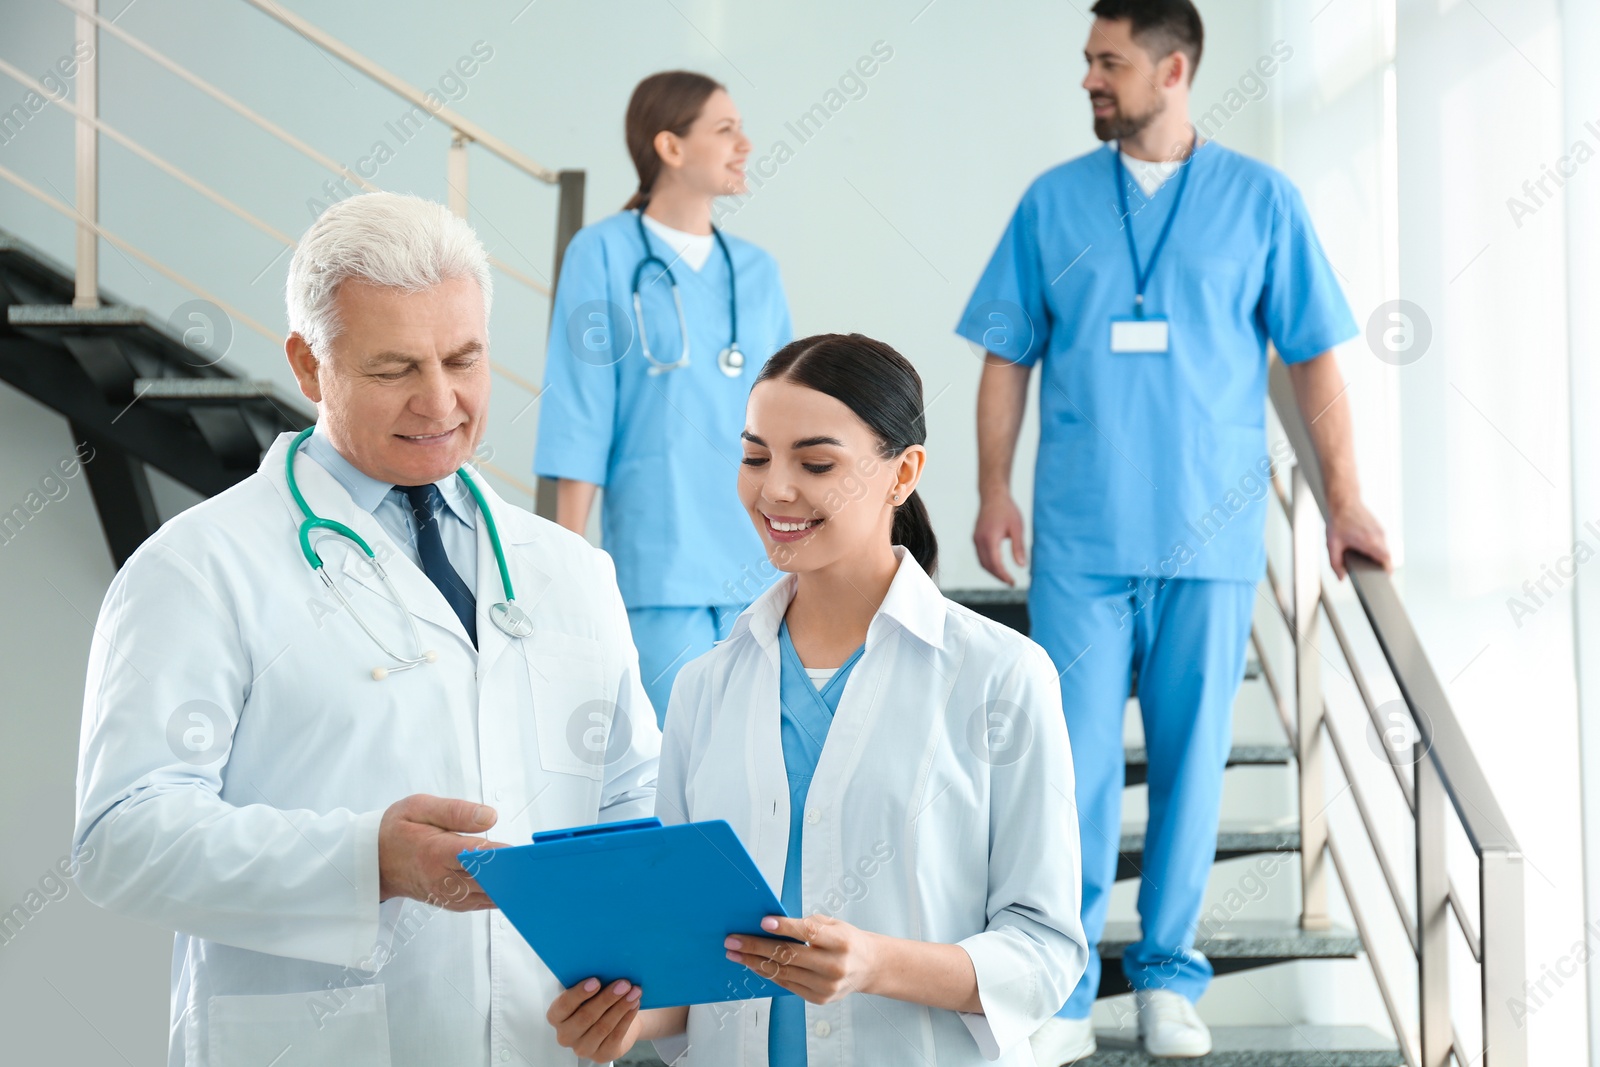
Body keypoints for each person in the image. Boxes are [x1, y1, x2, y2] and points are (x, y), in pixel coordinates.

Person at [72, 192, 661, 1067]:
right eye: (395, 368)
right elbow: (122, 836)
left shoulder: (568, 568)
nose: (440, 400)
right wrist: (366, 860)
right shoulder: (198, 567)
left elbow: (631, 803)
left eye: (464, 359)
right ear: (310, 366)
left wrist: (635, 978)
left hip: (547, 1041)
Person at [957, 2, 1392, 1062]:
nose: (1090, 80)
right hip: (1083, 533)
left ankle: (1165, 977)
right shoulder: (1052, 203)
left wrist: (1344, 496)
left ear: (1173, 68)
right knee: (1072, 770)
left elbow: (1314, 361)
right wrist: (990, 488)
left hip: (1210, 531)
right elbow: (1005, 356)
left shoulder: (1261, 201)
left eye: (1108, 62)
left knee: (1194, 764)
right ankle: (1059, 987)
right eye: (1087, 61)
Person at [543, 333, 1089, 1066]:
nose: (775, 489)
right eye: (756, 455)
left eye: (817, 463)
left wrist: (875, 963)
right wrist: (622, 1020)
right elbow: (686, 957)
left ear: (904, 474)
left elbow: (1046, 949)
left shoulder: (1000, 674)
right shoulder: (706, 686)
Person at [535, 70, 794, 725]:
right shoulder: (603, 253)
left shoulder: (758, 271)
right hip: (661, 562)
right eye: (725, 129)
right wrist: (566, 571)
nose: (745, 143)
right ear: (671, 147)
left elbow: (796, 419)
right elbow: (582, 410)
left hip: (763, 563)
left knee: (764, 763)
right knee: (669, 765)